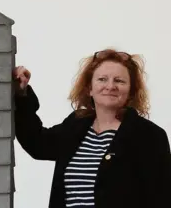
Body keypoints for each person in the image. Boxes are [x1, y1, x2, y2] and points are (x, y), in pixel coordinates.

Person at [12, 49, 171, 208]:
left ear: (131, 91)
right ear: (90, 88)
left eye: (119, 81)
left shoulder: (150, 136)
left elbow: (161, 198)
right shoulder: (75, 125)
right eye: (102, 79)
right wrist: (22, 94)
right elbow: (37, 143)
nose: (110, 86)